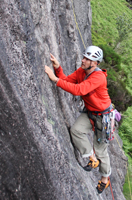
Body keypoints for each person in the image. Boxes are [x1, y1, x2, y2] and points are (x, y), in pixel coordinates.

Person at [44, 46, 112, 194]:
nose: (83, 60)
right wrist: (57, 68)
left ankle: (105, 178)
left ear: (95, 63)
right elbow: (67, 81)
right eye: (84, 57)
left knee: (101, 150)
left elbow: (79, 90)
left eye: (88, 59)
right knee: (76, 131)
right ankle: (90, 157)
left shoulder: (98, 77)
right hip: (90, 112)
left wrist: (54, 79)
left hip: (102, 116)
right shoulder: (82, 71)